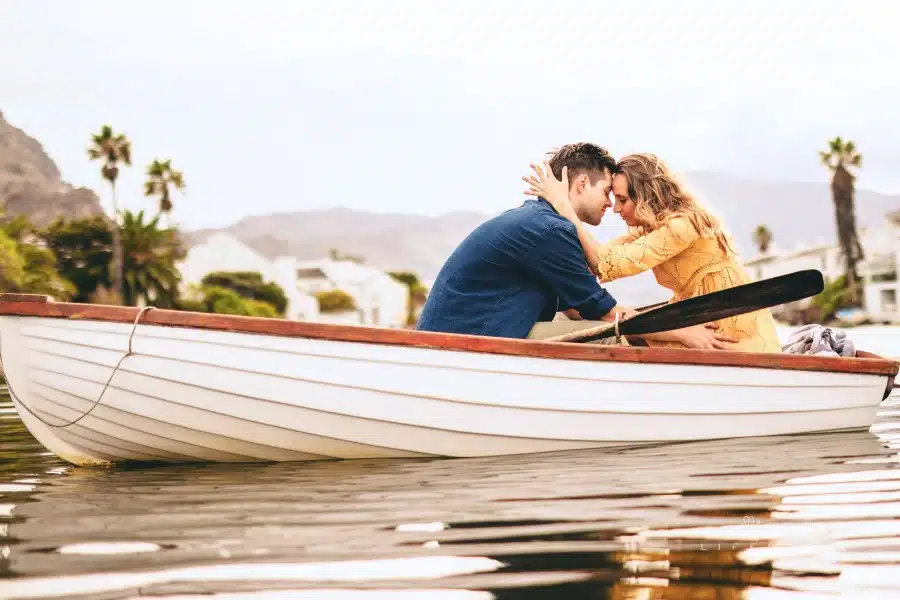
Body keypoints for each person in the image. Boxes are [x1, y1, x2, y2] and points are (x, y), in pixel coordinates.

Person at [416, 142, 738, 349]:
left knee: (615, 331)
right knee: (613, 341)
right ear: (582, 184)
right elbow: (608, 315)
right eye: (607, 192)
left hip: (463, 339)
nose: (610, 204)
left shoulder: (540, 222)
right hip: (466, 345)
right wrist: (683, 332)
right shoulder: (550, 231)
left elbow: (578, 309)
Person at [522, 152, 781, 353]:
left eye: (623, 200)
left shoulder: (681, 226)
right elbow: (602, 258)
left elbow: (607, 262)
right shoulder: (648, 229)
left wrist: (564, 207)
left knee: (630, 338)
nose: (615, 208)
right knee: (628, 335)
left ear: (646, 197)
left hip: (727, 321)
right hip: (695, 315)